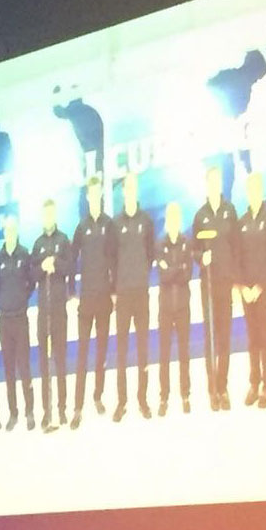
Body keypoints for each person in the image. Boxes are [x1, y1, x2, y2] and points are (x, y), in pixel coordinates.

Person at [71, 175, 117, 428]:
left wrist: (114, 292)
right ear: (88, 197)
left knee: (100, 352)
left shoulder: (109, 225)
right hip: (85, 301)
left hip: (104, 301)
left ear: (100, 195)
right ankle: (77, 406)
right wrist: (71, 291)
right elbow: (71, 257)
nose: (95, 197)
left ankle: (97, 396)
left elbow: (114, 259)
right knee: (82, 354)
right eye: (91, 193)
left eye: (98, 192)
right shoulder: (81, 227)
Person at [192, 165, 239, 410]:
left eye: (217, 182)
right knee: (210, 336)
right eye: (210, 182)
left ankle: (223, 387)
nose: (214, 186)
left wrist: (237, 281)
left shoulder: (230, 211)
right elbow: (193, 250)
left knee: (225, 336)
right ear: (206, 185)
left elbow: (236, 246)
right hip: (207, 285)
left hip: (225, 282)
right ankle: (212, 389)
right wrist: (201, 258)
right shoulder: (200, 216)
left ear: (220, 185)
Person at [112, 171, 155, 421]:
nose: (129, 191)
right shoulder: (115, 224)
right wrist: (116, 289)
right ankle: (122, 401)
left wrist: (139, 276)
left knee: (142, 349)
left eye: (133, 187)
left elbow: (149, 255)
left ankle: (142, 399)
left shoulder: (146, 221)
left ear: (136, 191)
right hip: (123, 296)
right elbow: (112, 258)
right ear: (123, 192)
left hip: (141, 294)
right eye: (126, 187)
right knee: (121, 350)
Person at [236, 171, 266, 408]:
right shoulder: (241, 222)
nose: (253, 193)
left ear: (261, 191)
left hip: (264, 290)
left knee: (265, 336)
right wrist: (243, 286)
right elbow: (238, 257)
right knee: (252, 338)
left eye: (256, 189)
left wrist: (260, 286)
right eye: (249, 189)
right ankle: (254, 382)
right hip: (247, 291)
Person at [31, 199, 73, 432]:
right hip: (43, 313)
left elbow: (70, 268)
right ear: (42, 216)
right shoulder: (37, 245)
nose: (48, 218)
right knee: (44, 363)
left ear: (55, 215)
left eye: (51, 213)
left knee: (60, 359)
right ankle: (46, 411)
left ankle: (62, 408)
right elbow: (32, 273)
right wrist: (41, 267)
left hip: (59, 312)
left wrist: (54, 263)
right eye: (44, 214)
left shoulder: (63, 240)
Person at [0, 210, 37, 432]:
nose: (10, 232)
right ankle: (14, 413)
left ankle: (30, 411)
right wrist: (4, 301)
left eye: (13, 229)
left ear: (16, 231)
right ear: (3, 232)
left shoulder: (24, 254)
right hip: (4, 321)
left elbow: (31, 283)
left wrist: (21, 298)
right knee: (9, 369)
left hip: (21, 319)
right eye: (7, 229)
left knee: (24, 367)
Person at [155, 201, 193, 416]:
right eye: (170, 218)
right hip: (166, 307)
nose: (173, 222)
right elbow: (164, 276)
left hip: (183, 306)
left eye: (176, 218)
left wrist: (173, 269)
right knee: (164, 353)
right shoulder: (160, 245)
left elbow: (188, 274)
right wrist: (176, 270)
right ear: (167, 221)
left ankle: (185, 393)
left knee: (184, 352)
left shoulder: (187, 242)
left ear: (179, 220)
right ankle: (164, 396)